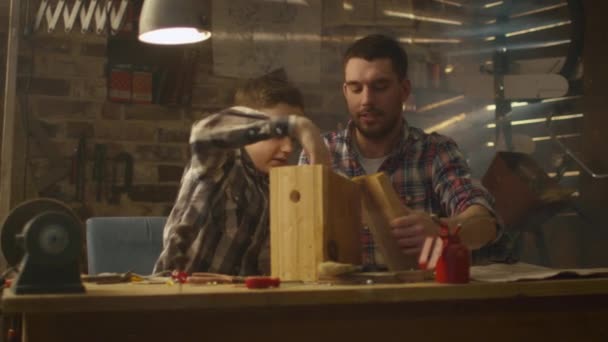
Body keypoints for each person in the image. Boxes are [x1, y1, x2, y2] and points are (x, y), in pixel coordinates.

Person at [300, 34, 505, 267]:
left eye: (380, 87)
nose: (367, 100)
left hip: (416, 299)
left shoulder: (435, 152)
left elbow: (484, 222)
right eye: (356, 89)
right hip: (340, 299)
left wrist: (442, 230)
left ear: (404, 89)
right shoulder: (320, 153)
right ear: (345, 92)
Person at [154, 73, 330, 275]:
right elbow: (203, 132)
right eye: (276, 134)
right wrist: (299, 125)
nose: (289, 148)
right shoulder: (219, 161)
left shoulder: (275, 186)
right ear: (246, 127)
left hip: (235, 299)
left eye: (292, 138)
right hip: (178, 294)